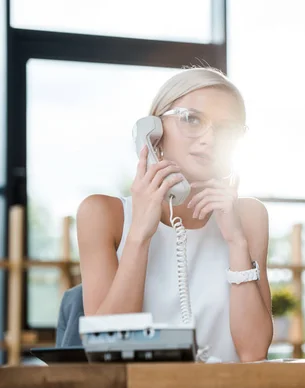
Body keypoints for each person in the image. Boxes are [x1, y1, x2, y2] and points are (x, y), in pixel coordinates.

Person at [76, 67, 273, 363]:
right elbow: (107, 352)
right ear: (154, 131)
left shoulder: (249, 216)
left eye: (227, 130)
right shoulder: (102, 214)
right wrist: (140, 233)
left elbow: (254, 353)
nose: (210, 139)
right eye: (192, 119)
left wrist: (236, 242)